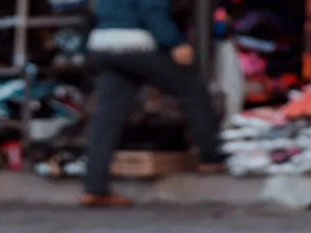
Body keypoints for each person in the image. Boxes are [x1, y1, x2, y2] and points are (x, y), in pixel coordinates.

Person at [82, 0, 223, 208]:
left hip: (103, 44)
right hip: (136, 43)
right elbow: (152, 9)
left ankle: (94, 188)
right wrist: (175, 42)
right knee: (191, 88)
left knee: (107, 118)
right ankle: (211, 158)